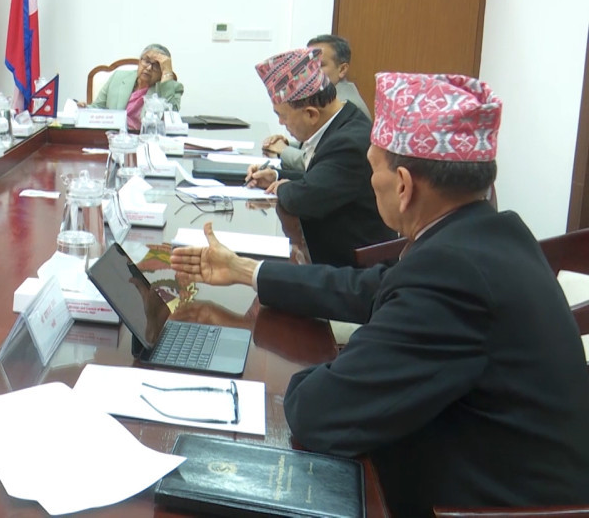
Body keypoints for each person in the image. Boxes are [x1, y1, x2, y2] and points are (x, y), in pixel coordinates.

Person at [170, 72, 589, 516]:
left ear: (404, 185)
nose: (370, 182)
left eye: (373, 169)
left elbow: (317, 413)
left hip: (482, 504)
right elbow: (369, 288)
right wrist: (246, 271)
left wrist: (319, 368)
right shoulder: (492, 233)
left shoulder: (451, 278)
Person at [244, 48, 394, 266]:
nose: (281, 123)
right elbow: (322, 178)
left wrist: (282, 188)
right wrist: (276, 176)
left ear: (311, 114)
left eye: (282, 116)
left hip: (352, 269)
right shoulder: (343, 120)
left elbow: (304, 199)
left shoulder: (349, 142)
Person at [264, 34, 370, 170]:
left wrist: (283, 150)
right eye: (306, 66)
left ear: (342, 69)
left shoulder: (344, 105)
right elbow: (318, 147)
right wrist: (287, 145)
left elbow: (321, 159)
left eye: (318, 65)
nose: (310, 72)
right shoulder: (326, 98)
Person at [83, 44, 183, 132]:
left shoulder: (172, 88)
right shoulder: (118, 77)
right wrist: (82, 109)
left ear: (162, 71)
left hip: (147, 140)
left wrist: (167, 72)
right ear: (140, 61)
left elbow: (171, 120)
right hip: (114, 138)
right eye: (147, 61)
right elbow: (97, 108)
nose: (149, 68)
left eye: (156, 65)